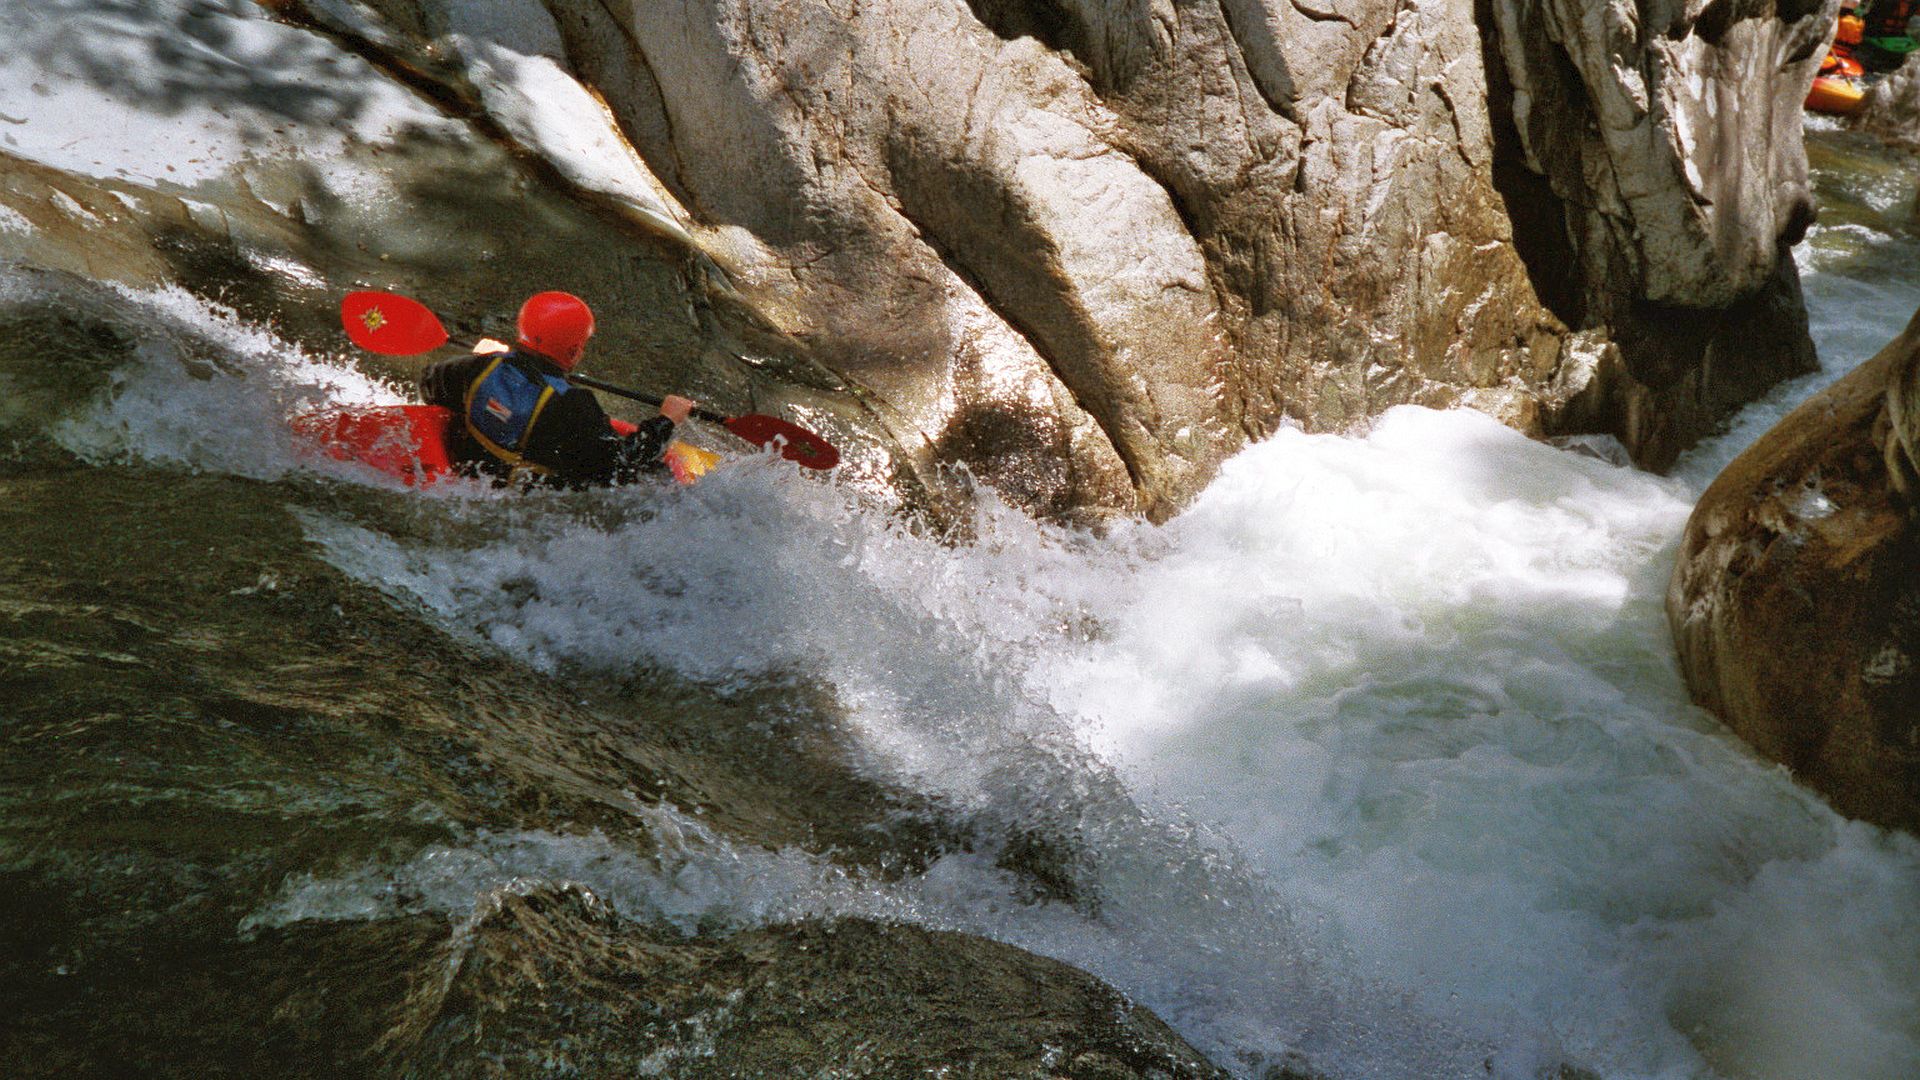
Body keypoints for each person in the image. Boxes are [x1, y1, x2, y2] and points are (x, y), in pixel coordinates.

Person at [420, 291, 695, 488]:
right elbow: (619, 465)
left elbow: (429, 386)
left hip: (473, 478)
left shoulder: (478, 369)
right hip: (528, 500)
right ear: (575, 351)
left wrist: (489, 361)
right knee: (655, 472)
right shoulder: (573, 403)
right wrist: (666, 420)